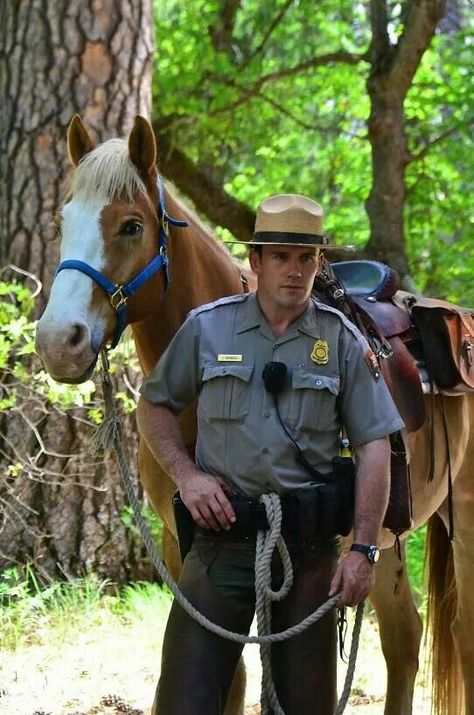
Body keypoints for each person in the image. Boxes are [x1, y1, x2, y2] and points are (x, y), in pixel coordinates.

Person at [137, 194, 405, 715]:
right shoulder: (207, 328)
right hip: (219, 546)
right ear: (255, 261)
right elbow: (154, 406)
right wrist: (187, 476)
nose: (294, 270)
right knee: (183, 702)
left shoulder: (342, 341)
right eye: (280, 256)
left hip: (307, 554)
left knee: (305, 708)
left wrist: (364, 550)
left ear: (319, 264)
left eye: (306, 258)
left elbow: (375, 444)